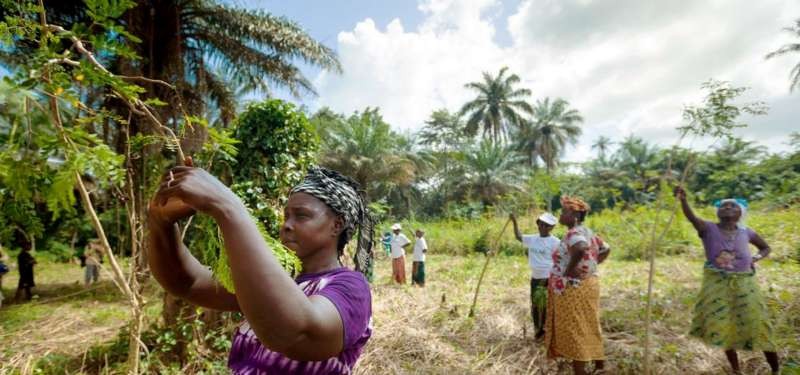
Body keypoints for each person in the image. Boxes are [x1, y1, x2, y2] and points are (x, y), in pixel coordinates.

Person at [147, 162, 374, 374]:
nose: (286, 225)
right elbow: (188, 282)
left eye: (302, 216)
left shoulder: (351, 288)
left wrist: (228, 207)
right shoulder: (275, 278)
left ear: (337, 225)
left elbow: (297, 334)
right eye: (286, 216)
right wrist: (161, 221)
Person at [674, 186, 779, 374]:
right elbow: (691, 218)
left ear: (741, 213)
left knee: (759, 323)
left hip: (745, 283)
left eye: (732, 206)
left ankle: (775, 370)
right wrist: (683, 200)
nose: (727, 207)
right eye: (723, 206)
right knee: (724, 325)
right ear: (718, 212)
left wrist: (754, 258)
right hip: (717, 284)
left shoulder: (747, 232)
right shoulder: (707, 228)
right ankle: (736, 370)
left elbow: (765, 248)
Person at [545, 196, 610, 375]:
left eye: (564, 212)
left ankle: (580, 370)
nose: (560, 215)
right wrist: (591, 266)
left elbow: (581, 248)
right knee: (589, 324)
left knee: (576, 329)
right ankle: (600, 366)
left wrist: (568, 271)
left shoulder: (574, 233)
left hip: (573, 288)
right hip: (589, 284)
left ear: (574, 215)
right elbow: (606, 248)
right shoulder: (587, 231)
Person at [510, 212, 560, 340]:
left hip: (548, 278)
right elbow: (518, 236)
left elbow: (560, 260)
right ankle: (539, 331)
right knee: (536, 305)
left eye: (546, 225)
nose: (542, 227)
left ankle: (547, 332)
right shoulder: (532, 239)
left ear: (551, 228)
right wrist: (514, 222)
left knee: (546, 305)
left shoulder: (555, 242)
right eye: (540, 224)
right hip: (535, 278)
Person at [15, 237, 36, 302]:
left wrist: (32, 261)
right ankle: (17, 299)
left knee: (27, 286)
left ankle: (28, 297)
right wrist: (31, 262)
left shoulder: (27, 254)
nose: (30, 247)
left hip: (28, 272)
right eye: (29, 245)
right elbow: (27, 262)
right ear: (25, 246)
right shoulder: (22, 255)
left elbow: (33, 261)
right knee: (22, 285)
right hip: (24, 273)